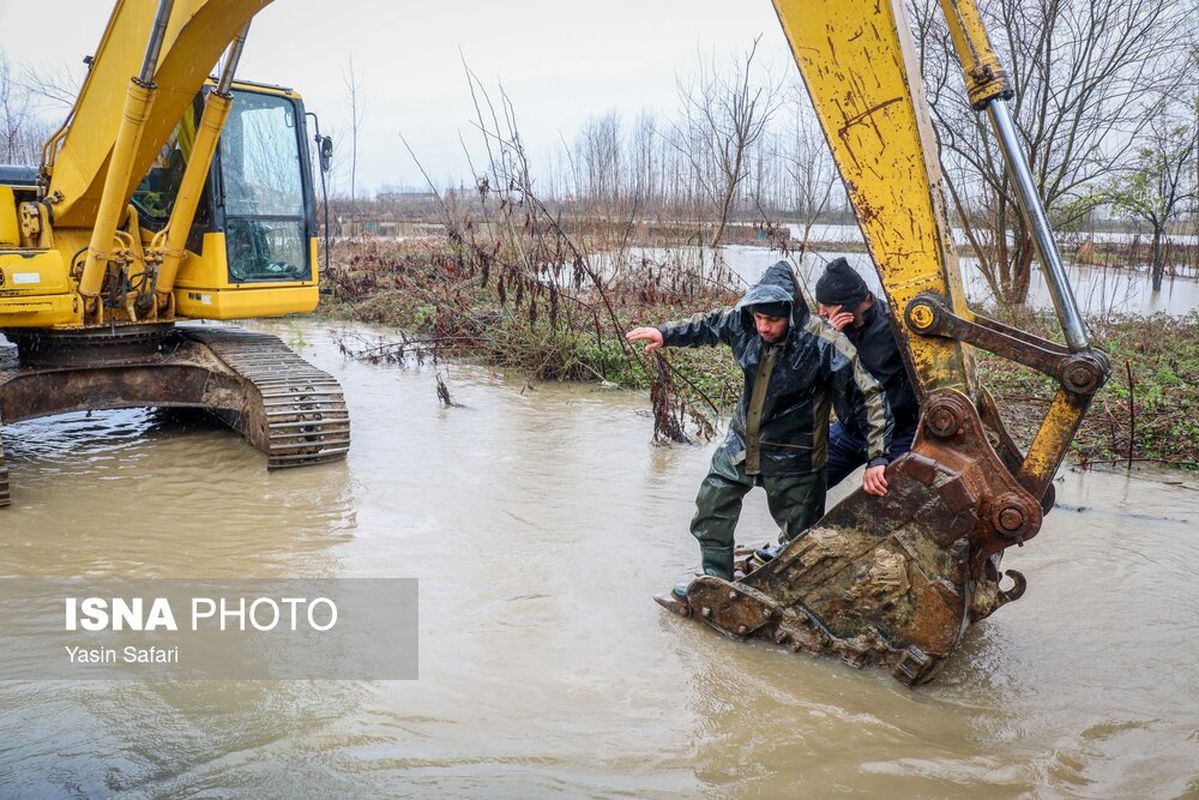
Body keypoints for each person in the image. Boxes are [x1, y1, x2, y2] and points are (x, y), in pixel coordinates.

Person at [626, 261, 893, 594]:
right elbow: (707, 325)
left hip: (796, 455)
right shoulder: (742, 323)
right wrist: (665, 334)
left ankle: (794, 590)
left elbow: (870, 396)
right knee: (712, 508)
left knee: (802, 540)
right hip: (742, 444)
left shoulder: (824, 343)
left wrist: (878, 457)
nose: (764, 327)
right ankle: (716, 578)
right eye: (760, 318)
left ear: (791, 315)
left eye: (774, 320)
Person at [814, 257, 920, 488]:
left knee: (886, 496)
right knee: (805, 481)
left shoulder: (896, 329)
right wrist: (829, 340)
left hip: (896, 434)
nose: (821, 312)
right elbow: (812, 375)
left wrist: (878, 458)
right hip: (850, 430)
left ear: (847, 304)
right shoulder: (830, 329)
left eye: (826, 305)